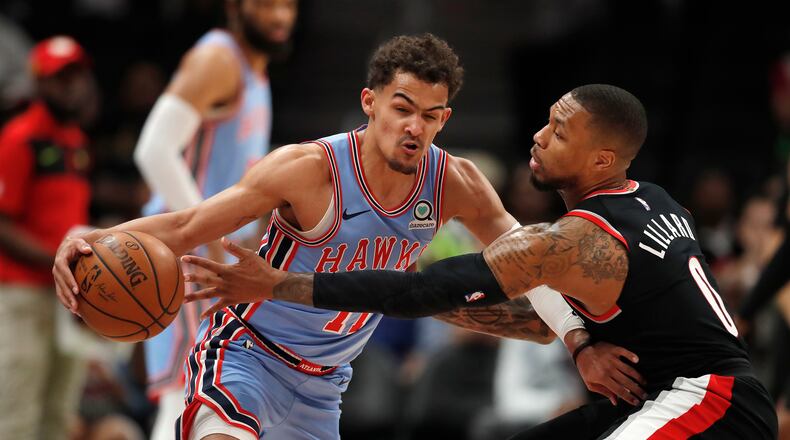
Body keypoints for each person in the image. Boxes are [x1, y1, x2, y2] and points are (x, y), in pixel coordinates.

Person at [53, 35, 644, 439]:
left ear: (445, 120)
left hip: (324, 387)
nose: (415, 127)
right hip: (246, 357)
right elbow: (184, 226)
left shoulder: (456, 183)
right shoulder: (308, 169)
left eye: (431, 115)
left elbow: (537, 264)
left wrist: (577, 340)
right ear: (370, 102)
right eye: (402, 107)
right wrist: (87, 239)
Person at [189, 84, 779, 439]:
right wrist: (580, 343)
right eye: (546, 120)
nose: (540, 136)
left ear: (602, 160)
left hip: (710, 400)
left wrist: (282, 284)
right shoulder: (653, 197)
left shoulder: (573, 241)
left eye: (560, 132)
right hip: (658, 394)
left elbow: (435, 286)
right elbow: (526, 322)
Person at [132, 0, 297, 437]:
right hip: (184, 253)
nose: (280, 16)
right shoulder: (217, 60)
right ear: (236, 6)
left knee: (206, 395)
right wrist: (207, 234)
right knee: (185, 394)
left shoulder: (253, 69)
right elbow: (153, 150)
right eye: (266, 4)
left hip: (211, 253)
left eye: (289, 4)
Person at [0, 35, 97, 439]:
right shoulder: (19, 138)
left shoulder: (76, 142)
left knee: (59, 413)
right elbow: (2, 224)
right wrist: (59, 261)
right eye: (60, 78)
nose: (71, 86)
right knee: (16, 414)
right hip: (23, 296)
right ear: (39, 83)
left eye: (76, 75)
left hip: (67, 298)